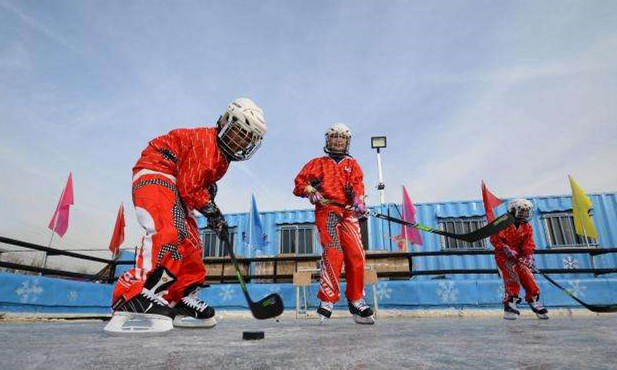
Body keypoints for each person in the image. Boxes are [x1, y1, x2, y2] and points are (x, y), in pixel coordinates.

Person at [104, 98, 267, 334]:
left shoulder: (222, 158)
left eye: (248, 138)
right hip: (157, 172)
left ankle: (179, 298)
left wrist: (210, 204)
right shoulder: (206, 142)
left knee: (191, 243)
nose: (242, 141)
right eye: (240, 133)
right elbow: (190, 186)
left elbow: (197, 186)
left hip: (176, 186)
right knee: (169, 230)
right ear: (226, 123)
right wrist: (211, 210)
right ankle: (132, 295)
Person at [293, 123, 375, 325]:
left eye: (342, 137)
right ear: (327, 140)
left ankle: (356, 299)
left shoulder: (353, 164)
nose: (338, 140)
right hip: (327, 211)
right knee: (333, 251)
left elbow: (358, 186)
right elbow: (299, 183)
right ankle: (327, 300)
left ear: (348, 141)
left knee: (356, 252)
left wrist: (359, 201)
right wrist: (311, 191)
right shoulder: (317, 163)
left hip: (348, 212)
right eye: (334, 136)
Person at [490, 199, 549, 320]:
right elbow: (495, 239)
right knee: (512, 276)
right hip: (504, 257)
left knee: (527, 275)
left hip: (519, 256)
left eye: (527, 212)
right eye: (522, 211)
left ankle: (533, 300)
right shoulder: (503, 222)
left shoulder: (527, 227)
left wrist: (528, 255)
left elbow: (528, 243)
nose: (525, 214)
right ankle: (510, 303)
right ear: (513, 210)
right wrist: (505, 248)